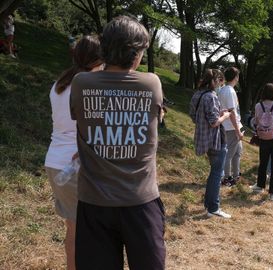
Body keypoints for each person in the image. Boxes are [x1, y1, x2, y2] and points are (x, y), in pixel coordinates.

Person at [70, 16, 166, 269]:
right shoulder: (151, 83)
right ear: (134, 52)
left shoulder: (81, 83)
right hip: (141, 202)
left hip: (94, 203)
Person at [44, 35, 103, 270]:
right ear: (98, 58)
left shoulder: (61, 81)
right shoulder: (88, 84)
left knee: (74, 229)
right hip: (76, 163)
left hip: (56, 161)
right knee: (88, 233)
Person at [189, 69, 232, 218]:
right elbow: (214, 122)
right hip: (215, 140)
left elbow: (195, 116)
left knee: (214, 172)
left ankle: (209, 205)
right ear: (213, 81)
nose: (220, 84)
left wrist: (218, 113)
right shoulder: (211, 96)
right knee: (217, 173)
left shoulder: (197, 95)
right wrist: (225, 115)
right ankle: (213, 207)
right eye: (219, 81)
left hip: (203, 138)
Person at [218, 67, 243, 186]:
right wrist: (238, 130)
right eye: (238, 76)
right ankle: (227, 177)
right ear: (235, 77)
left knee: (238, 151)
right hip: (231, 127)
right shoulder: (229, 91)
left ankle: (236, 174)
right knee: (229, 153)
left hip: (229, 125)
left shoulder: (223, 89)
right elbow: (232, 112)